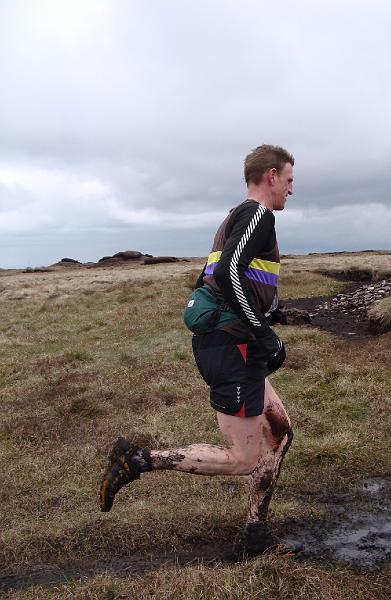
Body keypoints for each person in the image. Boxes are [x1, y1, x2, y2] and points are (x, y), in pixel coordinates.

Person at [99, 144, 295, 555]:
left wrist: (272, 312)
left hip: (236, 343)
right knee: (244, 458)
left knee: (278, 434)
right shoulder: (256, 214)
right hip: (233, 347)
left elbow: (225, 276)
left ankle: (255, 534)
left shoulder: (235, 217)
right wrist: (263, 333)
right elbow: (226, 272)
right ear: (271, 176)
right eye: (289, 180)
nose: (291, 191)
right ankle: (135, 460)